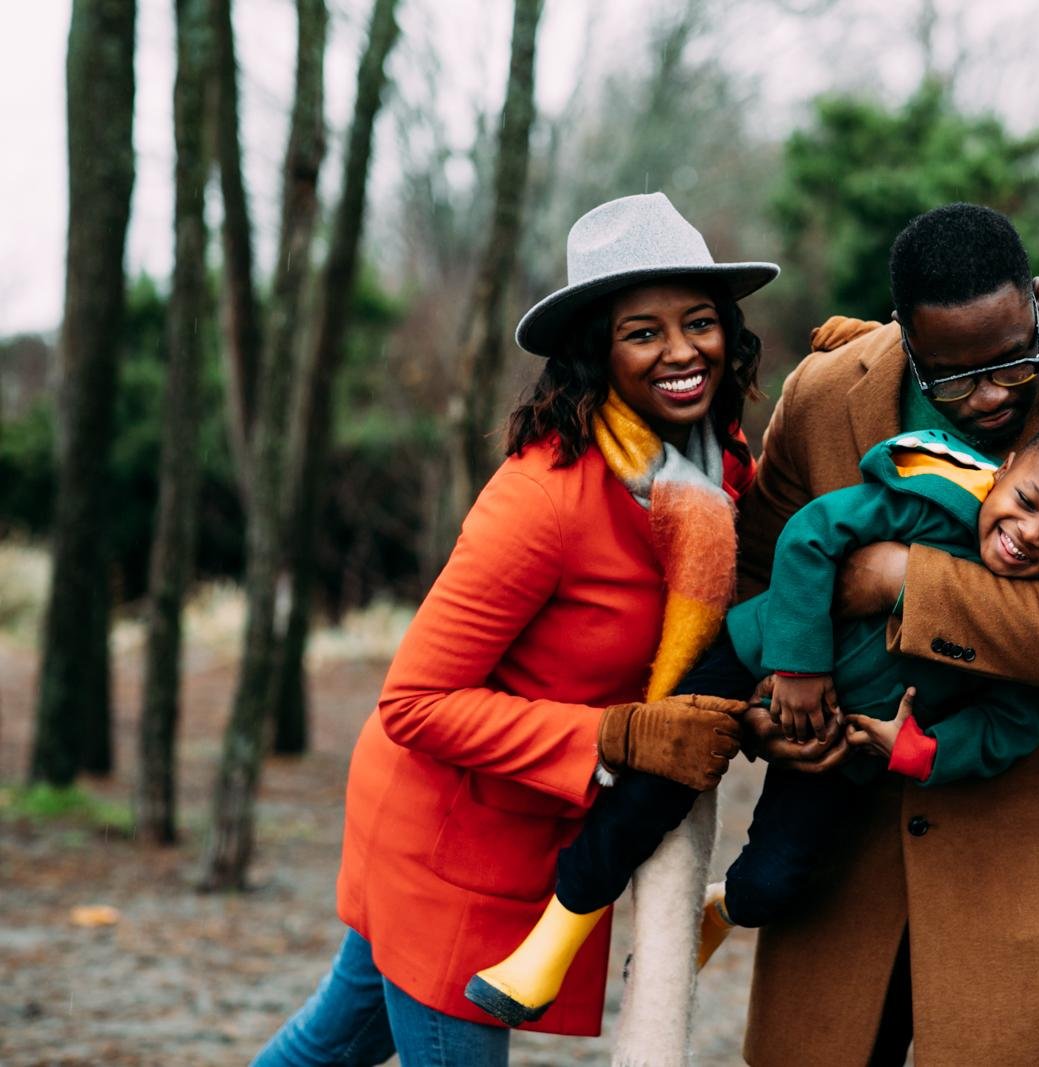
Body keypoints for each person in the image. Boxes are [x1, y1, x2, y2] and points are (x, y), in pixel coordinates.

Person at [251, 191, 776, 1067]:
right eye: (643, 332)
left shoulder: (716, 469)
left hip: (532, 837)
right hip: (452, 850)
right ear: (595, 353)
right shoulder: (542, 498)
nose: (683, 351)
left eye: (700, 321)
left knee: (325, 1047)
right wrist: (619, 732)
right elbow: (412, 702)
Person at [734, 203, 1039, 1066]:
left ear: (1035, 302)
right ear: (908, 337)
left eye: (1012, 364)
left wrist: (906, 582)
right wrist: (770, 700)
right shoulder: (823, 390)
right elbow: (756, 577)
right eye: (955, 377)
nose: (988, 395)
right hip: (841, 842)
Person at [468, 407, 1039, 1021]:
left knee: (779, 878)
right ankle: (550, 944)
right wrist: (798, 667)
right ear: (1006, 470)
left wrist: (910, 747)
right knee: (649, 787)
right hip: (755, 651)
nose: (1029, 533)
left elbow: (1011, 727)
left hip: (844, 743)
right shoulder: (934, 499)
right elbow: (811, 535)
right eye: (1027, 501)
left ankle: (724, 909)